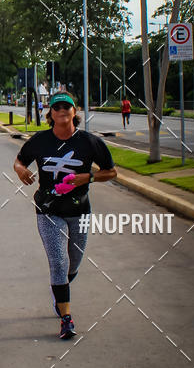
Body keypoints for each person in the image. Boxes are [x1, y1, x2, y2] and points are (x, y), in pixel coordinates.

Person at [13, 92, 117, 339]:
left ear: (74, 111)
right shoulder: (40, 140)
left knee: (73, 262)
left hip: (79, 209)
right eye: (57, 107)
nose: (62, 110)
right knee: (58, 262)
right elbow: (19, 161)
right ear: (50, 113)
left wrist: (87, 177)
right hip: (48, 209)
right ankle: (66, 319)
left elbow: (111, 172)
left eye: (66, 106)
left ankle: (60, 291)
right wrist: (20, 171)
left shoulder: (89, 142)